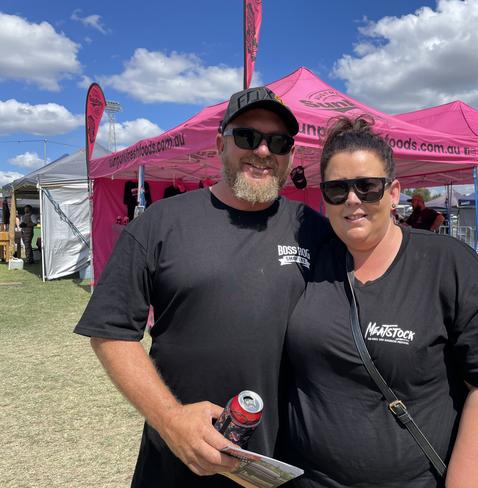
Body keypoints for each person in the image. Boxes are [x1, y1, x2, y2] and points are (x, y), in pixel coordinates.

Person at [74, 86, 330, 487]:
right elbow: (111, 333)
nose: (263, 151)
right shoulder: (161, 223)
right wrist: (171, 420)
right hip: (180, 462)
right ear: (219, 145)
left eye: (278, 142)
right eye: (247, 137)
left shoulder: (312, 229)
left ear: (291, 156)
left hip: (285, 464)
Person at [281, 116, 478, 488]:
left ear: (394, 192)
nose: (352, 200)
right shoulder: (307, 261)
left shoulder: (449, 264)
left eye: (367, 187)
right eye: (337, 189)